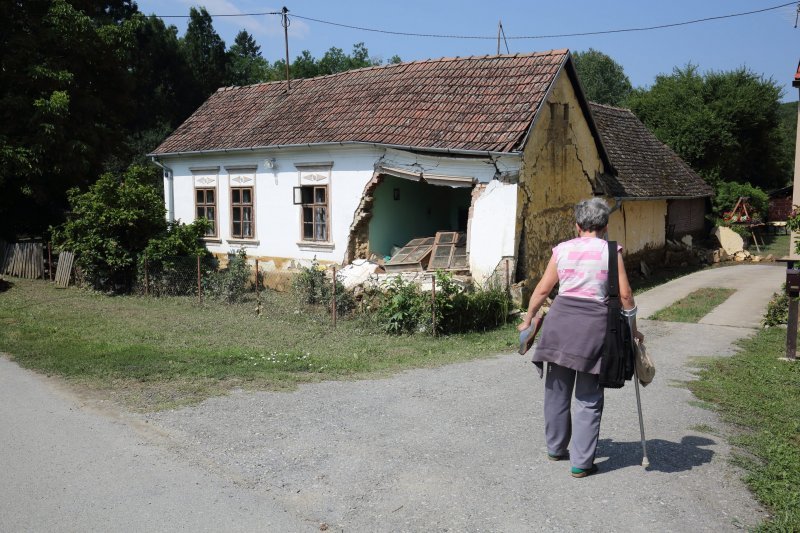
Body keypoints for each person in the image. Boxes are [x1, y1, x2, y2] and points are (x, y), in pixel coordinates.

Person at [517, 197, 643, 478]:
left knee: (556, 391)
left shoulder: (562, 250)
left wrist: (528, 319)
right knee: (588, 396)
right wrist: (633, 330)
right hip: (593, 329)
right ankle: (581, 463)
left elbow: (542, 290)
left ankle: (555, 448)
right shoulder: (612, 251)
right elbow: (625, 295)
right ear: (605, 225)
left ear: (577, 225)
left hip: (560, 324)